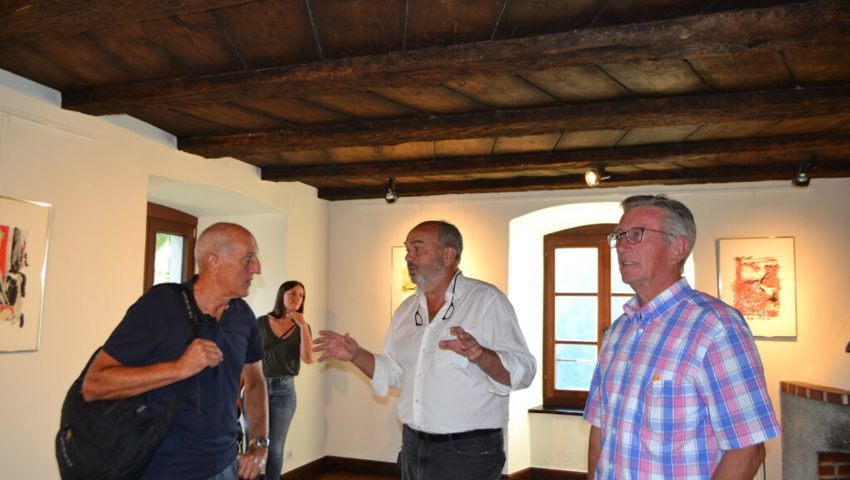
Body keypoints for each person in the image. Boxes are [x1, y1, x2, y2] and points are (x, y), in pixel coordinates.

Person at [313, 220, 536, 480]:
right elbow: (397, 373)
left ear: (449, 254)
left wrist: (481, 356)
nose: (409, 257)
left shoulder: (486, 301)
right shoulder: (407, 310)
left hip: (467, 452)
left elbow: (524, 371)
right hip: (412, 446)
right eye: (408, 250)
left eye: (418, 249)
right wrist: (356, 355)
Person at [584, 195, 781, 480]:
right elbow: (599, 428)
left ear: (677, 248)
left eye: (636, 234)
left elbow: (748, 449)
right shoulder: (618, 332)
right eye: (619, 235)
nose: (622, 245)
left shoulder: (716, 326)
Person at [82, 222, 269, 480]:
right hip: (163, 469)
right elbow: (95, 384)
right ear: (213, 262)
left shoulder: (242, 315)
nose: (257, 267)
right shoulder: (161, 306)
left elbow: (256, 381)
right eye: (248, 258)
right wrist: (179, 368)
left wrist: (259, 443)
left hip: (225, 465)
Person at [255, 280, 314, 480]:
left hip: (284, 391)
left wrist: (303, 325)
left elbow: (308, 357)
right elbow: (247, 360)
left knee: (276, 449)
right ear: (282, 295)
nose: (297, 298)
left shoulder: (302, 328)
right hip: (258, 388)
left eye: (301, 295)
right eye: (293, 293)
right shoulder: (261, 322)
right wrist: (238, 393)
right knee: (254, 445)